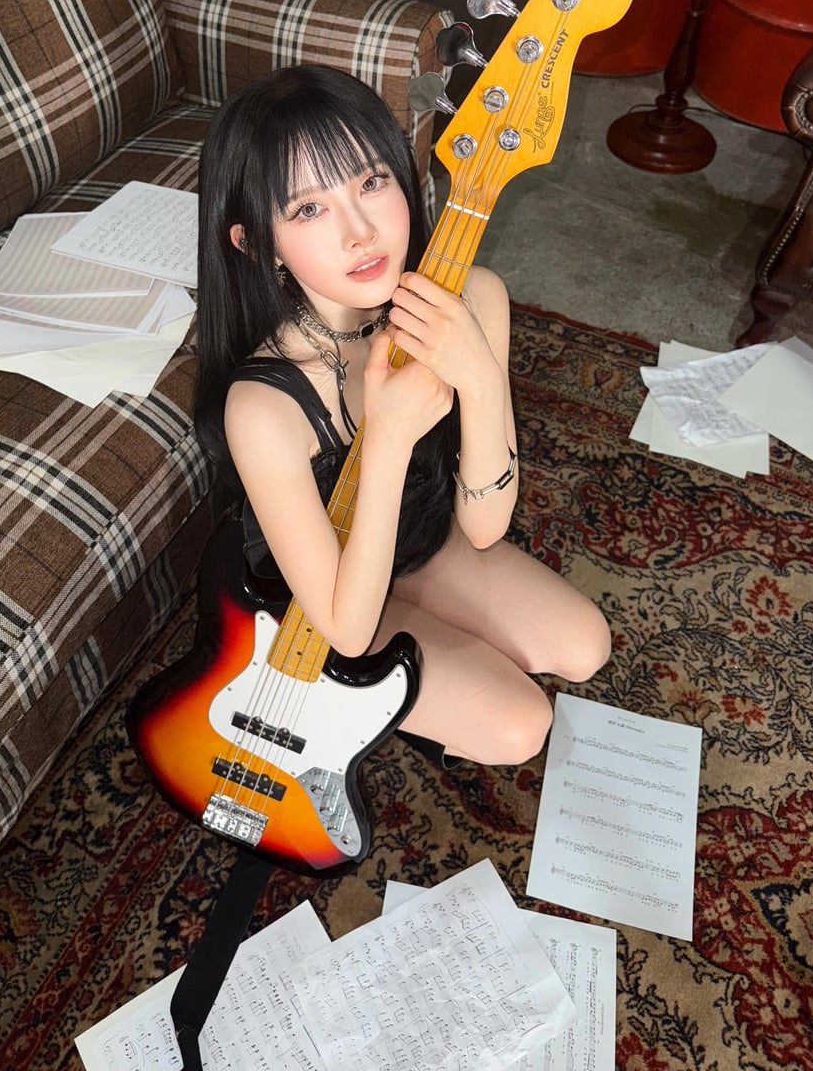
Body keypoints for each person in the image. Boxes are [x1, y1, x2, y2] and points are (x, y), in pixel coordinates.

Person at [194, 64, 611, 767]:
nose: (360, 232)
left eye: (371, 182)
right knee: (521, 726)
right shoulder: (263, 406)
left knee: (585, 644)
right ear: (257, 244)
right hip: (327, 598)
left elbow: (484, 526)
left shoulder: (476, 296)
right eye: (308, 210)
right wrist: (386, 438)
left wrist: (480, 381)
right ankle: (363, 710)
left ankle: (421, 662)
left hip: (422, 546)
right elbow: (346, 630)